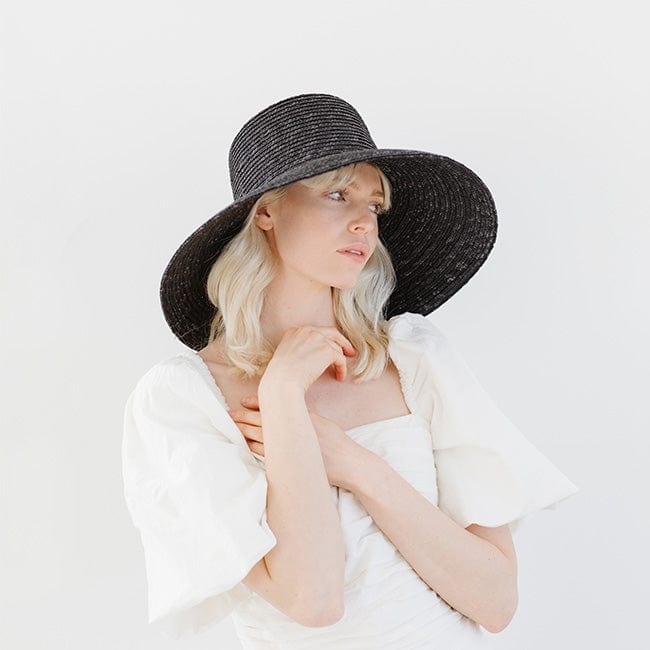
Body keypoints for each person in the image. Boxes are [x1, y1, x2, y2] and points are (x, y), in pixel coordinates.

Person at [122, 93, 578, 648]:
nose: (364, 222)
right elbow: (313, 601)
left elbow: (497, 602)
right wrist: (283, 395)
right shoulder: (184, 399)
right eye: (337, 194)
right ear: (265, 213)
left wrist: (355, 465)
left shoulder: (413, 358)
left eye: (375, 206)